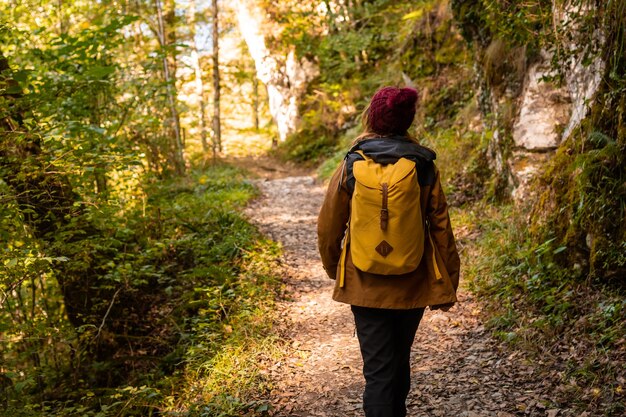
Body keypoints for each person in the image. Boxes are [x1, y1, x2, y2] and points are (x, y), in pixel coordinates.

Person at [317, 86, 460, 417]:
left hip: (365, 282)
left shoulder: (352, 163)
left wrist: (336, 267)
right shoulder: (423, 164)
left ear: (372, 117)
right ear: (407, 121)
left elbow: (328, 228)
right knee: (399, 359)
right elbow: (442, 229)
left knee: (378, 373)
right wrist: (448, 283)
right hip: (411, 280)